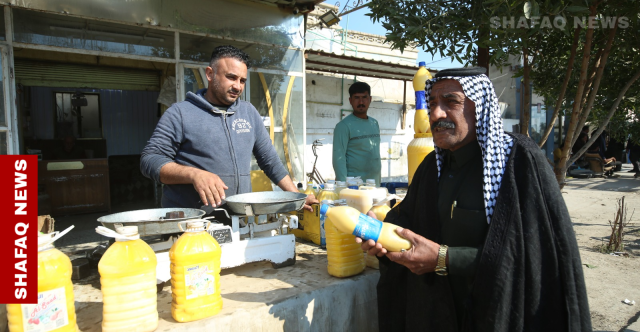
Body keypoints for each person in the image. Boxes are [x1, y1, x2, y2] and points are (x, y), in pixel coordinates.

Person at [360, 67, 591, 331]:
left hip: (495, 314)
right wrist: (378, 236)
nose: (435, 114)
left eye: (451, 102)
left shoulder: (518, 164)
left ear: (480, 108)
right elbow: (403, 223)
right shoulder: (429, 168)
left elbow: (532, 259)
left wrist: (443, 258)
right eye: (433, 103)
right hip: (437, 315)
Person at [140, 45, 316, 212]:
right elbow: (150, 160)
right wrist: (194, 174)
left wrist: (297, 196)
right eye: (231, 77)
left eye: (242, 80)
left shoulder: (248, 113)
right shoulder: (180, 113)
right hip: (194, 225)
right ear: (210, 74)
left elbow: (270, 161)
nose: (238, 86)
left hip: (239, 220)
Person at [332, 82, 382, 186]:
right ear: (350, 100)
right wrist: (343, 187)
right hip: (354, 188)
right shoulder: (343, 126)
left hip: (374, 184)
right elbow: (338, 159)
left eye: (364, 97)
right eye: (356, 98)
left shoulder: (374, 123)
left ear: (370, 99)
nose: (361, 102)